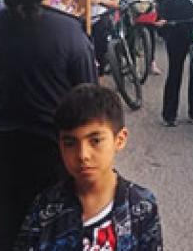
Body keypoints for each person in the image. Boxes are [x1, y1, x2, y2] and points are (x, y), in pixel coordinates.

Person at [0, 0, 96, 251]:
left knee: (3, 229)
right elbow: (87, 96)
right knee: (52, 233)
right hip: (48, 149)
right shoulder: (69, 31)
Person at [13, 84, 162, 250]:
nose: (82, 154)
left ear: (119, 140)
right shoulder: (45, 208)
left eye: (95, 141)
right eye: (70, 143)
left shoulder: (140, 206)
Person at [78, 0, 119, 73]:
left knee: (102, 43)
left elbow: (115, 3)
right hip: (84, 18)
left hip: (102, 16)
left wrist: (101, 1)